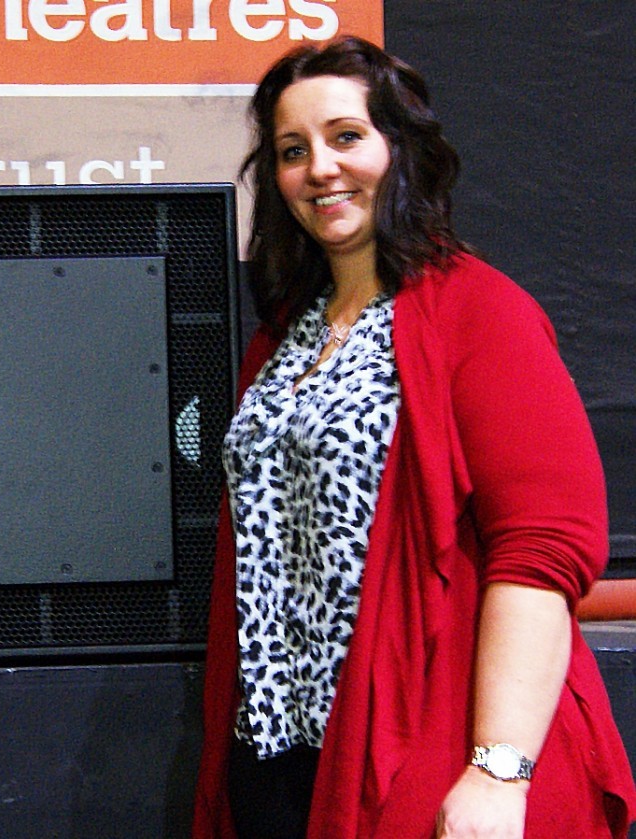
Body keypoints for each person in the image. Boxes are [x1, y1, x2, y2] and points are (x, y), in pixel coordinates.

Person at [191, 36, 636, 838]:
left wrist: (498, 771)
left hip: (423, 752)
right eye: (293, 150)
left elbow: (542, 550)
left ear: (400, 148)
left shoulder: (481, 313)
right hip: (279, 755)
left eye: (346, 136)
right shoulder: (281, 339)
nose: (320, 168)